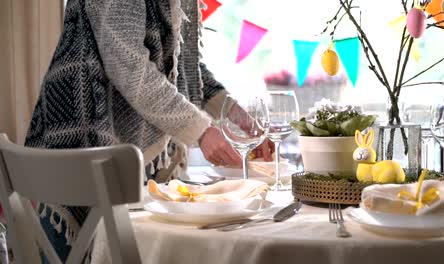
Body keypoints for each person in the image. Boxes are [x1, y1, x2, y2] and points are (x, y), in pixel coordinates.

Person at [24, 0, 273, 261]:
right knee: (73, 250)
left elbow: (185, 66)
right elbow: (131, 69)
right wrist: (201, 130)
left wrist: (235, 113)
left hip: (134, 155)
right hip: (80, 130)